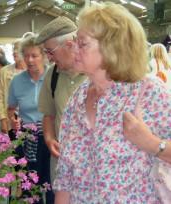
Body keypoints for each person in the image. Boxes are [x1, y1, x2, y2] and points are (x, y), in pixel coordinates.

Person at [54, 2, 171, 203]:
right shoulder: (77, 100)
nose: (74, 48)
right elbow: (65, 177)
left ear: (111, 47)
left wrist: (152, 143)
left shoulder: (149, 93)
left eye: (82, 43)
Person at [35, 16, 86, 185]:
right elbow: (49, 114)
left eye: (50, 51)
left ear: (69, 44)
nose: (49, 58)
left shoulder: (97, 75)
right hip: (61, 162)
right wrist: (49, 139)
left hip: (91, 166)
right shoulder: (52, 75)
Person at [7, 35, 54, 203]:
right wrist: (13, 120)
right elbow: (11, 109)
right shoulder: (17, 81)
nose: (30, 59)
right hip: (28, 139)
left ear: (44, 55)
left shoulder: (53, 76)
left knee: (50, 184)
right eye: (26, 55)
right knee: (29, 185)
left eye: (34, 55)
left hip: (51, 138)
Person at [0, 40, 26, 134]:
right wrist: (3, 120)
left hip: (29, 119)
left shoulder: (33, 71)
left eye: (18, 49)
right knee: (12, 147)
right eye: (13, 49)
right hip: (10, 118)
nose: (14, 52)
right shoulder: (4, 71)